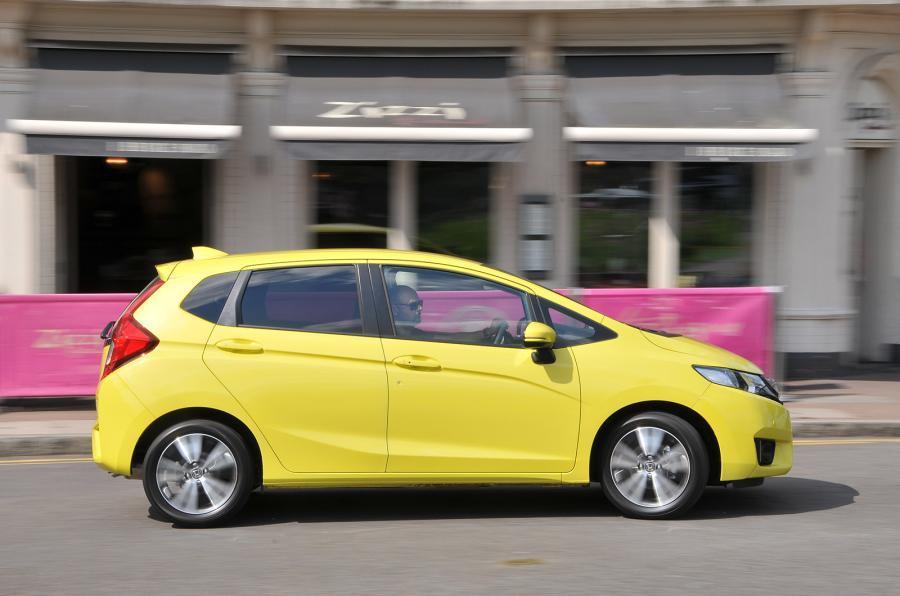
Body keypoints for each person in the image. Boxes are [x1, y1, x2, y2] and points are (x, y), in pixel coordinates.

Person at [389, 285, 512, 344]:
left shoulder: (408, 333)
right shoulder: (399, 336)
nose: (420, 308)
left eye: (420, 303)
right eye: (414, 305)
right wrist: (486, 333)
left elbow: (446, 337)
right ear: (395, 310)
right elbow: (443, 338)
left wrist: (486, 333)